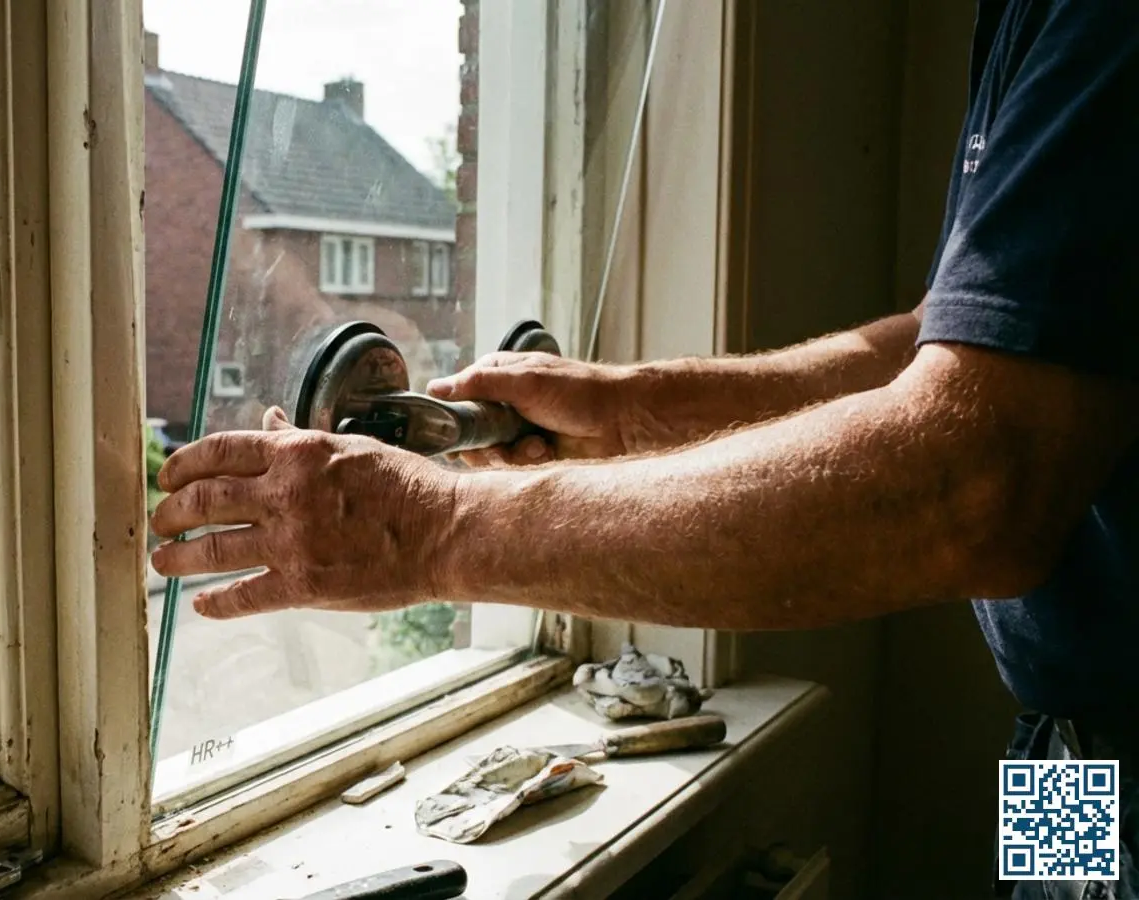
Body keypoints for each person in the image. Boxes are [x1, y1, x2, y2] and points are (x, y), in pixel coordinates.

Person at [149, 2, 1137, 895]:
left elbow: (972, 484)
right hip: (1065, 739)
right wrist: (634, 412)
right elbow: (950, 340)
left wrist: (431, 531)